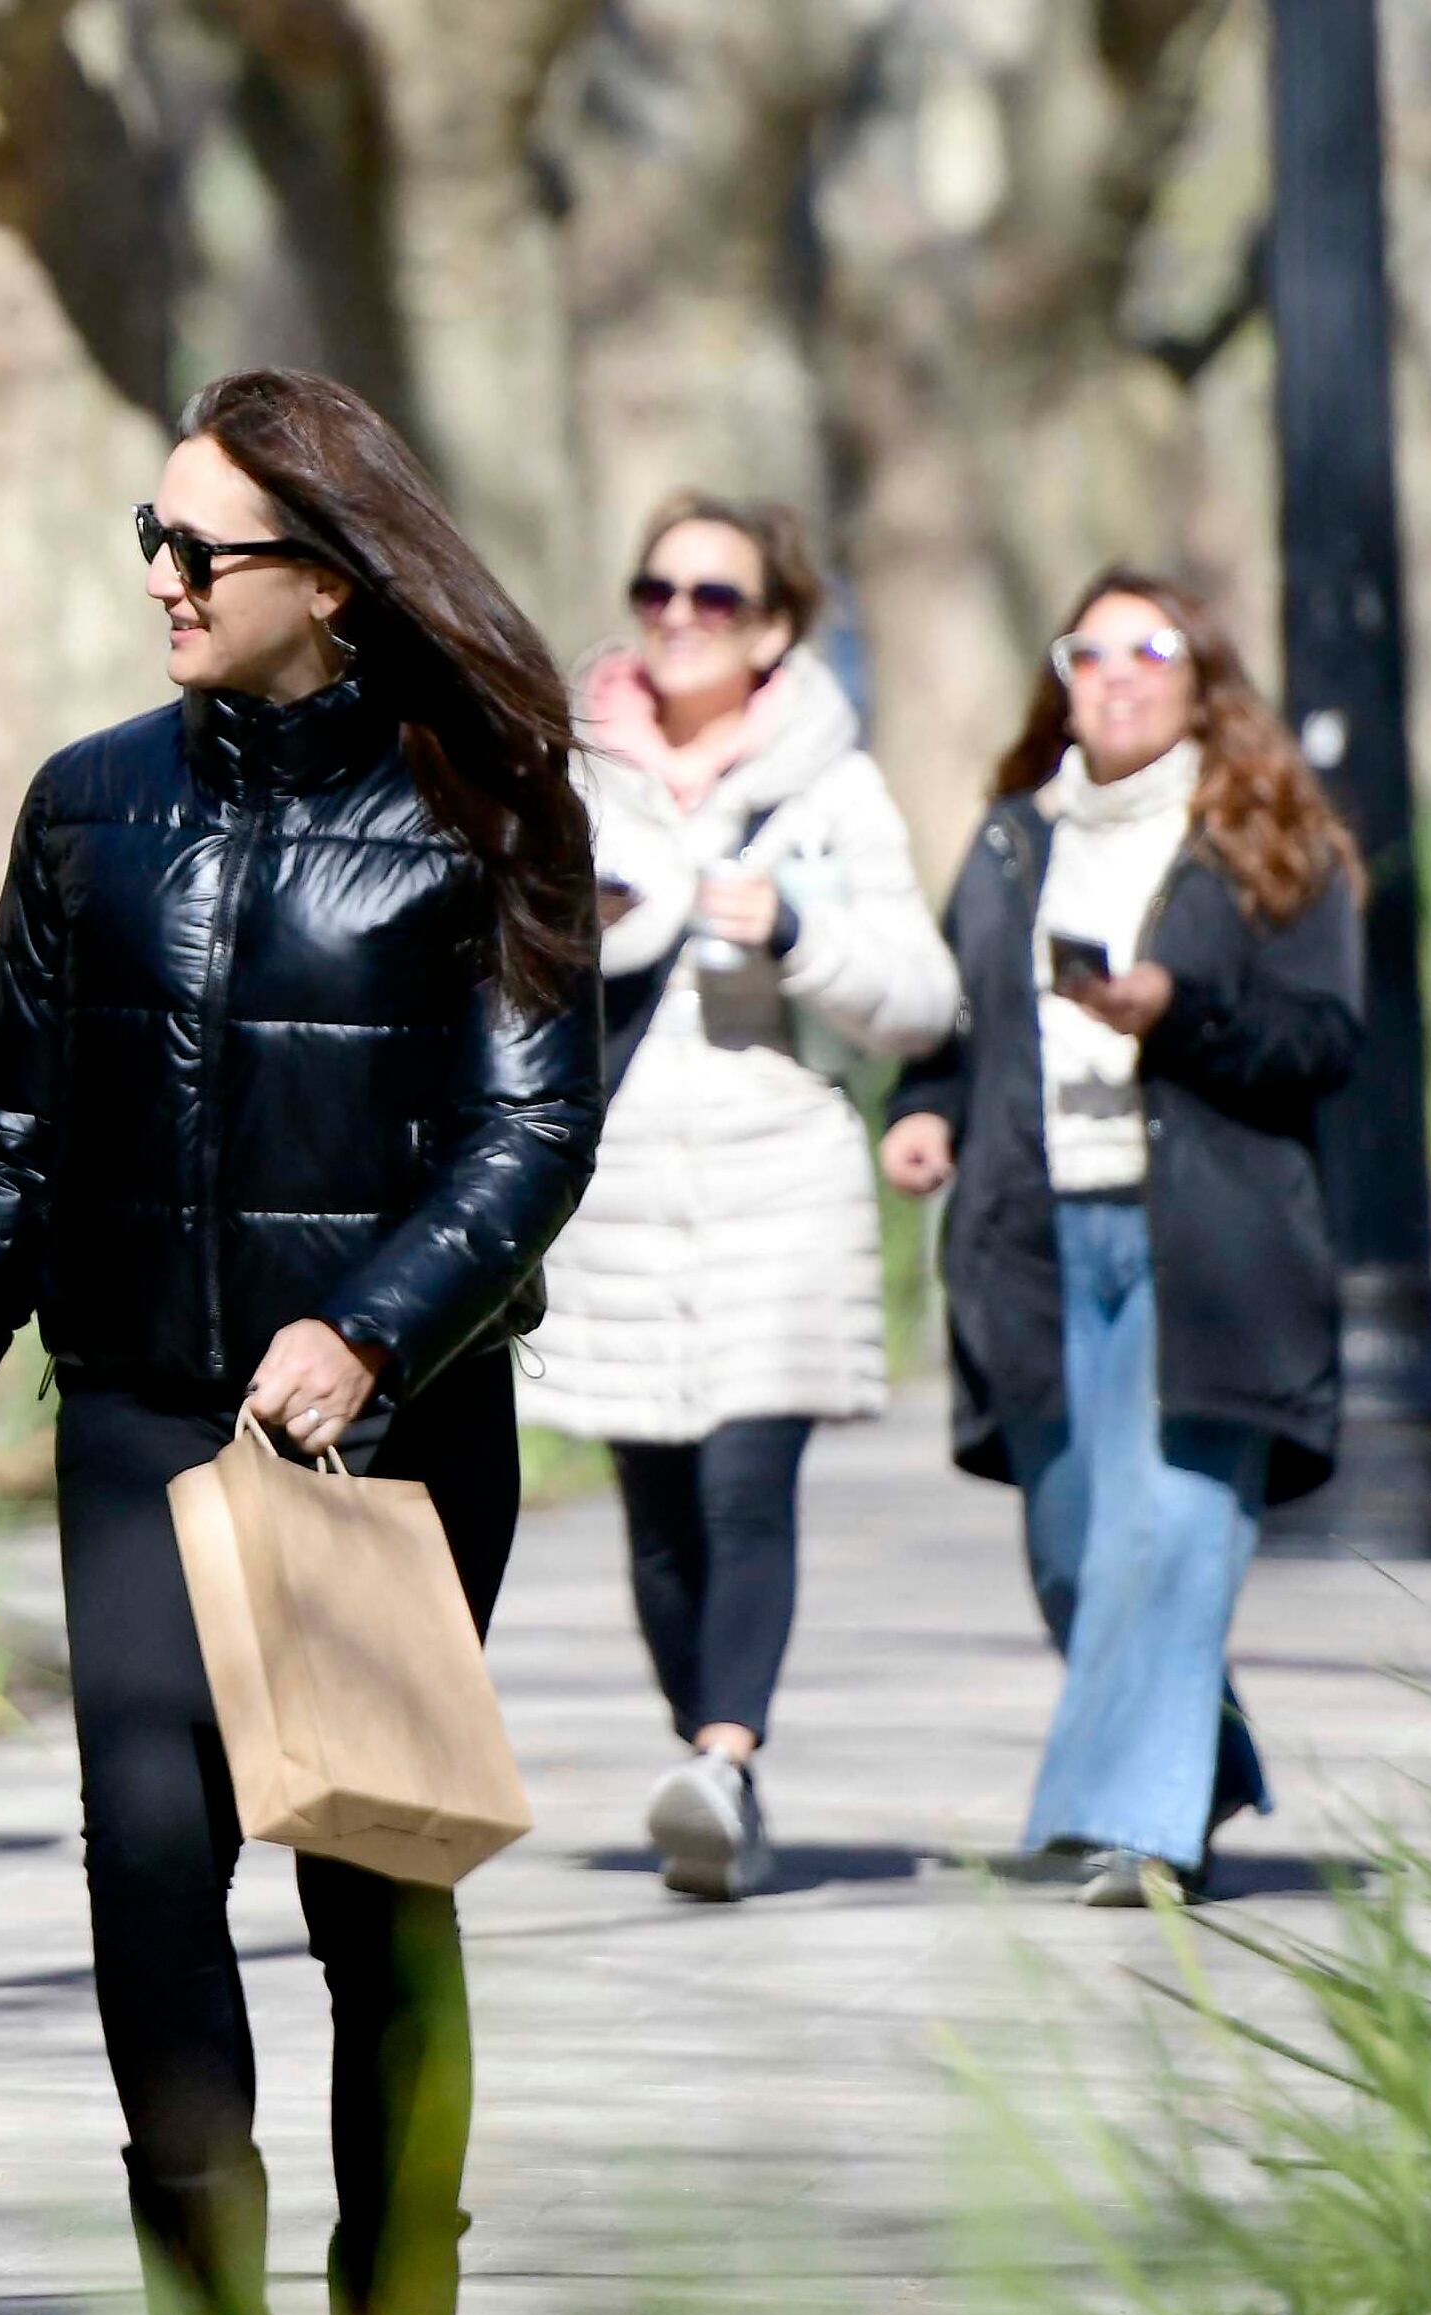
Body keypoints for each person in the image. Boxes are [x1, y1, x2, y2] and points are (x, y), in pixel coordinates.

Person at [0, 369, 603, 2315]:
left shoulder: (487, 811)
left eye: (197, 551)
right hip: (141, 1416)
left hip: (383, 1445)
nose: (158, 579)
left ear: (327, 580)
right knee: (149, 1871)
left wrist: (374, 1326)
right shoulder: (83, 804)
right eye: (148, 538)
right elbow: (7, 1144)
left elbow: (530, 1138)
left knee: (370, 1888)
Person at [881, 569, 1364, 1909]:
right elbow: (950, 1027)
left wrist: (1180, 1010)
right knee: (1076, 1551)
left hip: (1204, 1239)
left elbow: (1325, 1038)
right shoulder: (1006, 843)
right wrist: (921, 1113)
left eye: (1150, 649)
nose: (1118, 674)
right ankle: (1193, 1762)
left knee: (1171, 1528)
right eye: (1088, 652)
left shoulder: (1270, 838)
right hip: (1029, 1242)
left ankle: (1142, 1829)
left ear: (1200, 674)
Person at [530, 494, 957, 1903]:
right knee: (655, 1507)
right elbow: (496, 953)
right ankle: (711, 1766)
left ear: (773, 629)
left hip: (781, 1169)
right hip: (623, 1181)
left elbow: (920, 994)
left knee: (744, 1478)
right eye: (657, 587)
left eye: (714, 597)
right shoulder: (573, 767)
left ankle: (722, 1749)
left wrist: (798, 931)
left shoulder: (834, 788)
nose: (675, 614)